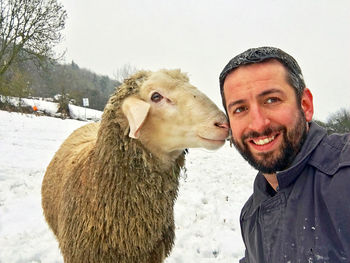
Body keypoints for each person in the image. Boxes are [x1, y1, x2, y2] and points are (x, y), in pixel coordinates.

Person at [219, 46, 350, 263]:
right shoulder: (251, 217)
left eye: (271, 100)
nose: (259, 124)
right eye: (240, 109)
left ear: (305, 105)